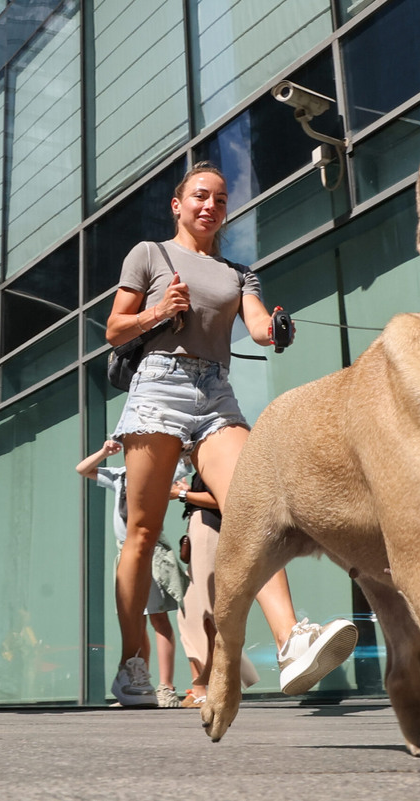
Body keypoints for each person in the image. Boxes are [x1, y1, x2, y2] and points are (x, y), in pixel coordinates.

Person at [103, 161, 357, 707]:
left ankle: (292, 641)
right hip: (159, 387)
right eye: (200, 196)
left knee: (253, 506)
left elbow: (259, 324)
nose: (209, 206)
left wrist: (276, 329)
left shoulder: (239, 272)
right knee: (143, 534)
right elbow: (114, 329)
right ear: (178, 204)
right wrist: (156, 312)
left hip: (216, 394)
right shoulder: (150, 254)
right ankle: (132, 664)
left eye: (220, 200)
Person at [76, 439, 185, 708]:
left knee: (159, 619)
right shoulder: (118, 474)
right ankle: (140, 680)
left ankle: (166, 687)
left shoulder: (159, 469)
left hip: (151, 550)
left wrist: (178, 448)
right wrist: (103, 451)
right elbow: (82, 469)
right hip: (124, 552)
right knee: (136, 620)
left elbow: (186, 464)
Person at [176, 472, 259, 708]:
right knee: (188, 615)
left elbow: (222, 499)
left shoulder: (215, 457)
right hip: (198, 528)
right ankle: (201, 687)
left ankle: (223, 681)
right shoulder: (203, 463)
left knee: (208, 611)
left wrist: (183, 493)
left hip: (208, 528)